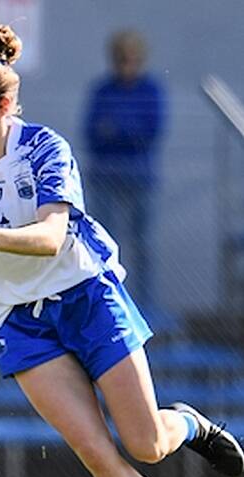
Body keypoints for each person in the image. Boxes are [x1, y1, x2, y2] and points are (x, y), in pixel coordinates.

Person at [0, 20, 243, 477]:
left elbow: (51, 238)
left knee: (145, 443)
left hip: (85, 296)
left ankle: (187, 424)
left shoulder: (43, 146)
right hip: (18, 321)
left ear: (5, 105)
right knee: (95, 452)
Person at [82, 30, 166, 309]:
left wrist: (115, 130)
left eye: (132, 59)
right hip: (105, 176)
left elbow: (151, 132)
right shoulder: (102, 90)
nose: (127, 64)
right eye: (122, 59)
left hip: (139, 177)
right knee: (103, 243)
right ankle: (109, 304)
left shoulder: (150, 90)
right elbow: (92, 132)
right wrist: (125, 133)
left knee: (143, 245)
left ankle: (145, 306)